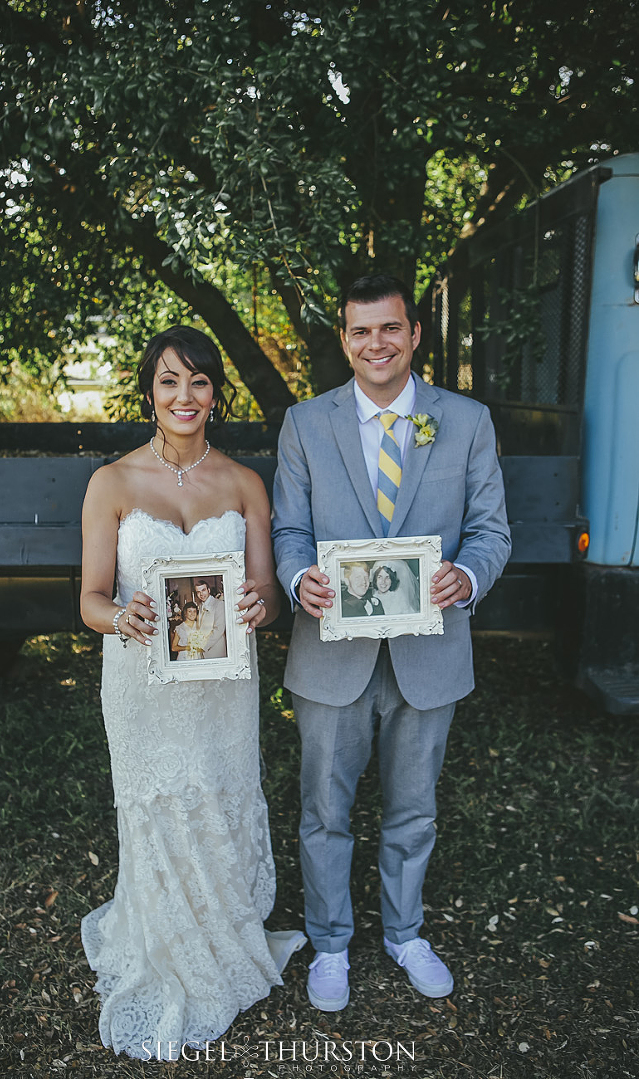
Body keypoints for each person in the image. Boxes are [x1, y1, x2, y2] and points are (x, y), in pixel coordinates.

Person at [272, 273, 511, 1011]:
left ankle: (406, 933)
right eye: (360, 331)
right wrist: (296, 579)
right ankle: (332, 942)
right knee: (324, 810)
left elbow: (491, 530)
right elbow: (288, 529)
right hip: (330, 655)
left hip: (428, 654)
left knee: (414, 808)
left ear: (412, 334)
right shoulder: (305, 424)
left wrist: (466, 578)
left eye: (389, 329)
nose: (375, 343)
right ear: (345, 340)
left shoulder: (466, 422)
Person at [80, 325, 305, 1059]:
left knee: (218, 793)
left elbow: (267, 594)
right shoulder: (111, 483)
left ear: (216, 392)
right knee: (158, 803)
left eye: (199, 381)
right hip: (142, 684)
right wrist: (122, 613)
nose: (186, 396)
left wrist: (257, 606)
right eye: (171, 380)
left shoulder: (245, 484)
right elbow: (88, 599)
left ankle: (223, 930)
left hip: (220, 690)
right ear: (149, 390)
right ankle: (165, 940)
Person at [194, 578, 227, 658]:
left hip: (215, 650)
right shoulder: (200, 606)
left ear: (208, 590)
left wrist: (203, 645)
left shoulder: (219, 604)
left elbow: (219, 629)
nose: (201, 594)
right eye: (198, 592)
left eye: (203, 590)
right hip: (202, 652)